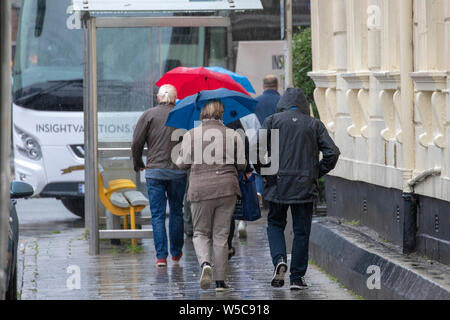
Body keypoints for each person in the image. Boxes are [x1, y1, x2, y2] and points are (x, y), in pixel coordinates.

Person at [259, 88, 340, 290]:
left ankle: (279, 259)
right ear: (304, 105)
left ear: (282, 103)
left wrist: (265, 173)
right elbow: (332, 153)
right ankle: (296, 278)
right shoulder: (314, 124)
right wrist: (316, 173)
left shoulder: (271, 121)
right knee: (301, 231)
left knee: (275, 224)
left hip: (277, 184)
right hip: (305, 186)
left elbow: (255, 151)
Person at [176, 100, 247, 291]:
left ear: (202, 114)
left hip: (200, 190)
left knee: (200, 232)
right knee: (221, 235)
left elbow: (181, 164)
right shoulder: (233, 135)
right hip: (227, 189)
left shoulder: (191, 135)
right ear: (221, 114)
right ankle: (220, 282)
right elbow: (242, 164)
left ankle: (205, 264)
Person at [131, 84, 187, 268]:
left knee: (157, 215)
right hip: (178, 171)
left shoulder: (148, 115)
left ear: (158, 98)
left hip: (154, 171)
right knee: (177, 211)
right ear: (174, 98)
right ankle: (176, 252)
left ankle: (161, 256)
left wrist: (138, 163)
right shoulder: (182, 115)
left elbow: (136, 143)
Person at [253, 75, 281, 205]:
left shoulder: (255, 102)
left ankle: (260, 195)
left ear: (263, 86)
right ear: (277, 86)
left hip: (260, 140)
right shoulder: (282, 101)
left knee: (260, 170)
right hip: (279, 141)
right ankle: (276, 196)